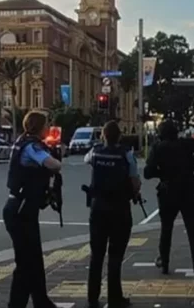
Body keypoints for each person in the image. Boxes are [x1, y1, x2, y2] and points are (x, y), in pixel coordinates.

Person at [143, 120, 194, 289]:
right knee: (193, 232)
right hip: (188, 191)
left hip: (167, 191)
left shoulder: (158, 148)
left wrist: (162, 172)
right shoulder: (187, 144)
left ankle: (164, 261)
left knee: (166, 228)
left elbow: (147, 172)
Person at [3, 111, 62, 308]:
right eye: (46, 125)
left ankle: (41, 301)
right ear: (39, 127)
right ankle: (16, 304)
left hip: (24, 209)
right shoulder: (31, 147)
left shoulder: (24, 142)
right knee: (26, 262)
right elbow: (53, 165)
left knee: (34, 259)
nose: (48, 128)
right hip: (20, 210)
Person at [84, 121, 141, 308]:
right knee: (115, 256)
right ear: (119, 136)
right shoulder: (126, 154)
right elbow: (134, 182)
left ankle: (92, 298)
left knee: (96, 255)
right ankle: (115, 298)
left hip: (98, 208)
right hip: (119, 209)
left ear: (103, 136)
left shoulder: (95, 151)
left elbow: (87, 160)